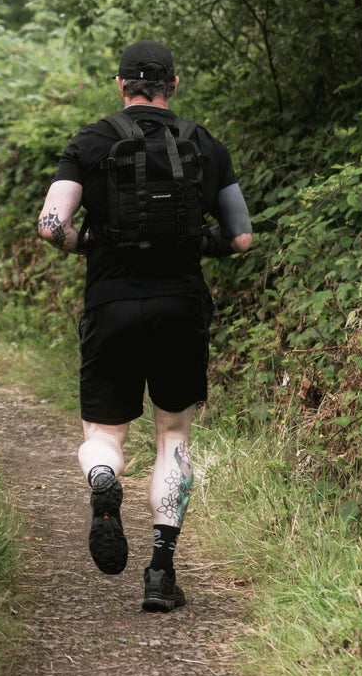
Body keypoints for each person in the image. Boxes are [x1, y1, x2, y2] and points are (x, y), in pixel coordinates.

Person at [35, 39, 252, 612]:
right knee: (173, 436)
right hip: (181, 305)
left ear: (120, 85)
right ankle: (160, 573)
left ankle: (105, 481)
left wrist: (87, 244)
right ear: (173, 86)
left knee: (103, 435)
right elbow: (241, 238)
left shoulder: (92, 140)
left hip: (111, 305)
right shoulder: (205, 145)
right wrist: (197, 242)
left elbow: (51, 224)